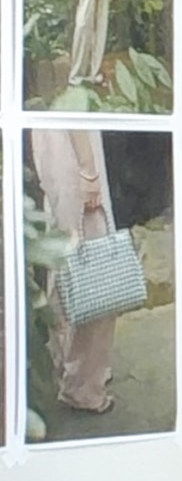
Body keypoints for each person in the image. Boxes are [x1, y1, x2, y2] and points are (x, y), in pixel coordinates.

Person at [31, 128, 116, 414]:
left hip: (53, 142)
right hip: (73, 147)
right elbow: (73, 108)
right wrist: (88, 170)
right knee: (93, 267)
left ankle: (69, 365)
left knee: (66, 256)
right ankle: (83, 384)